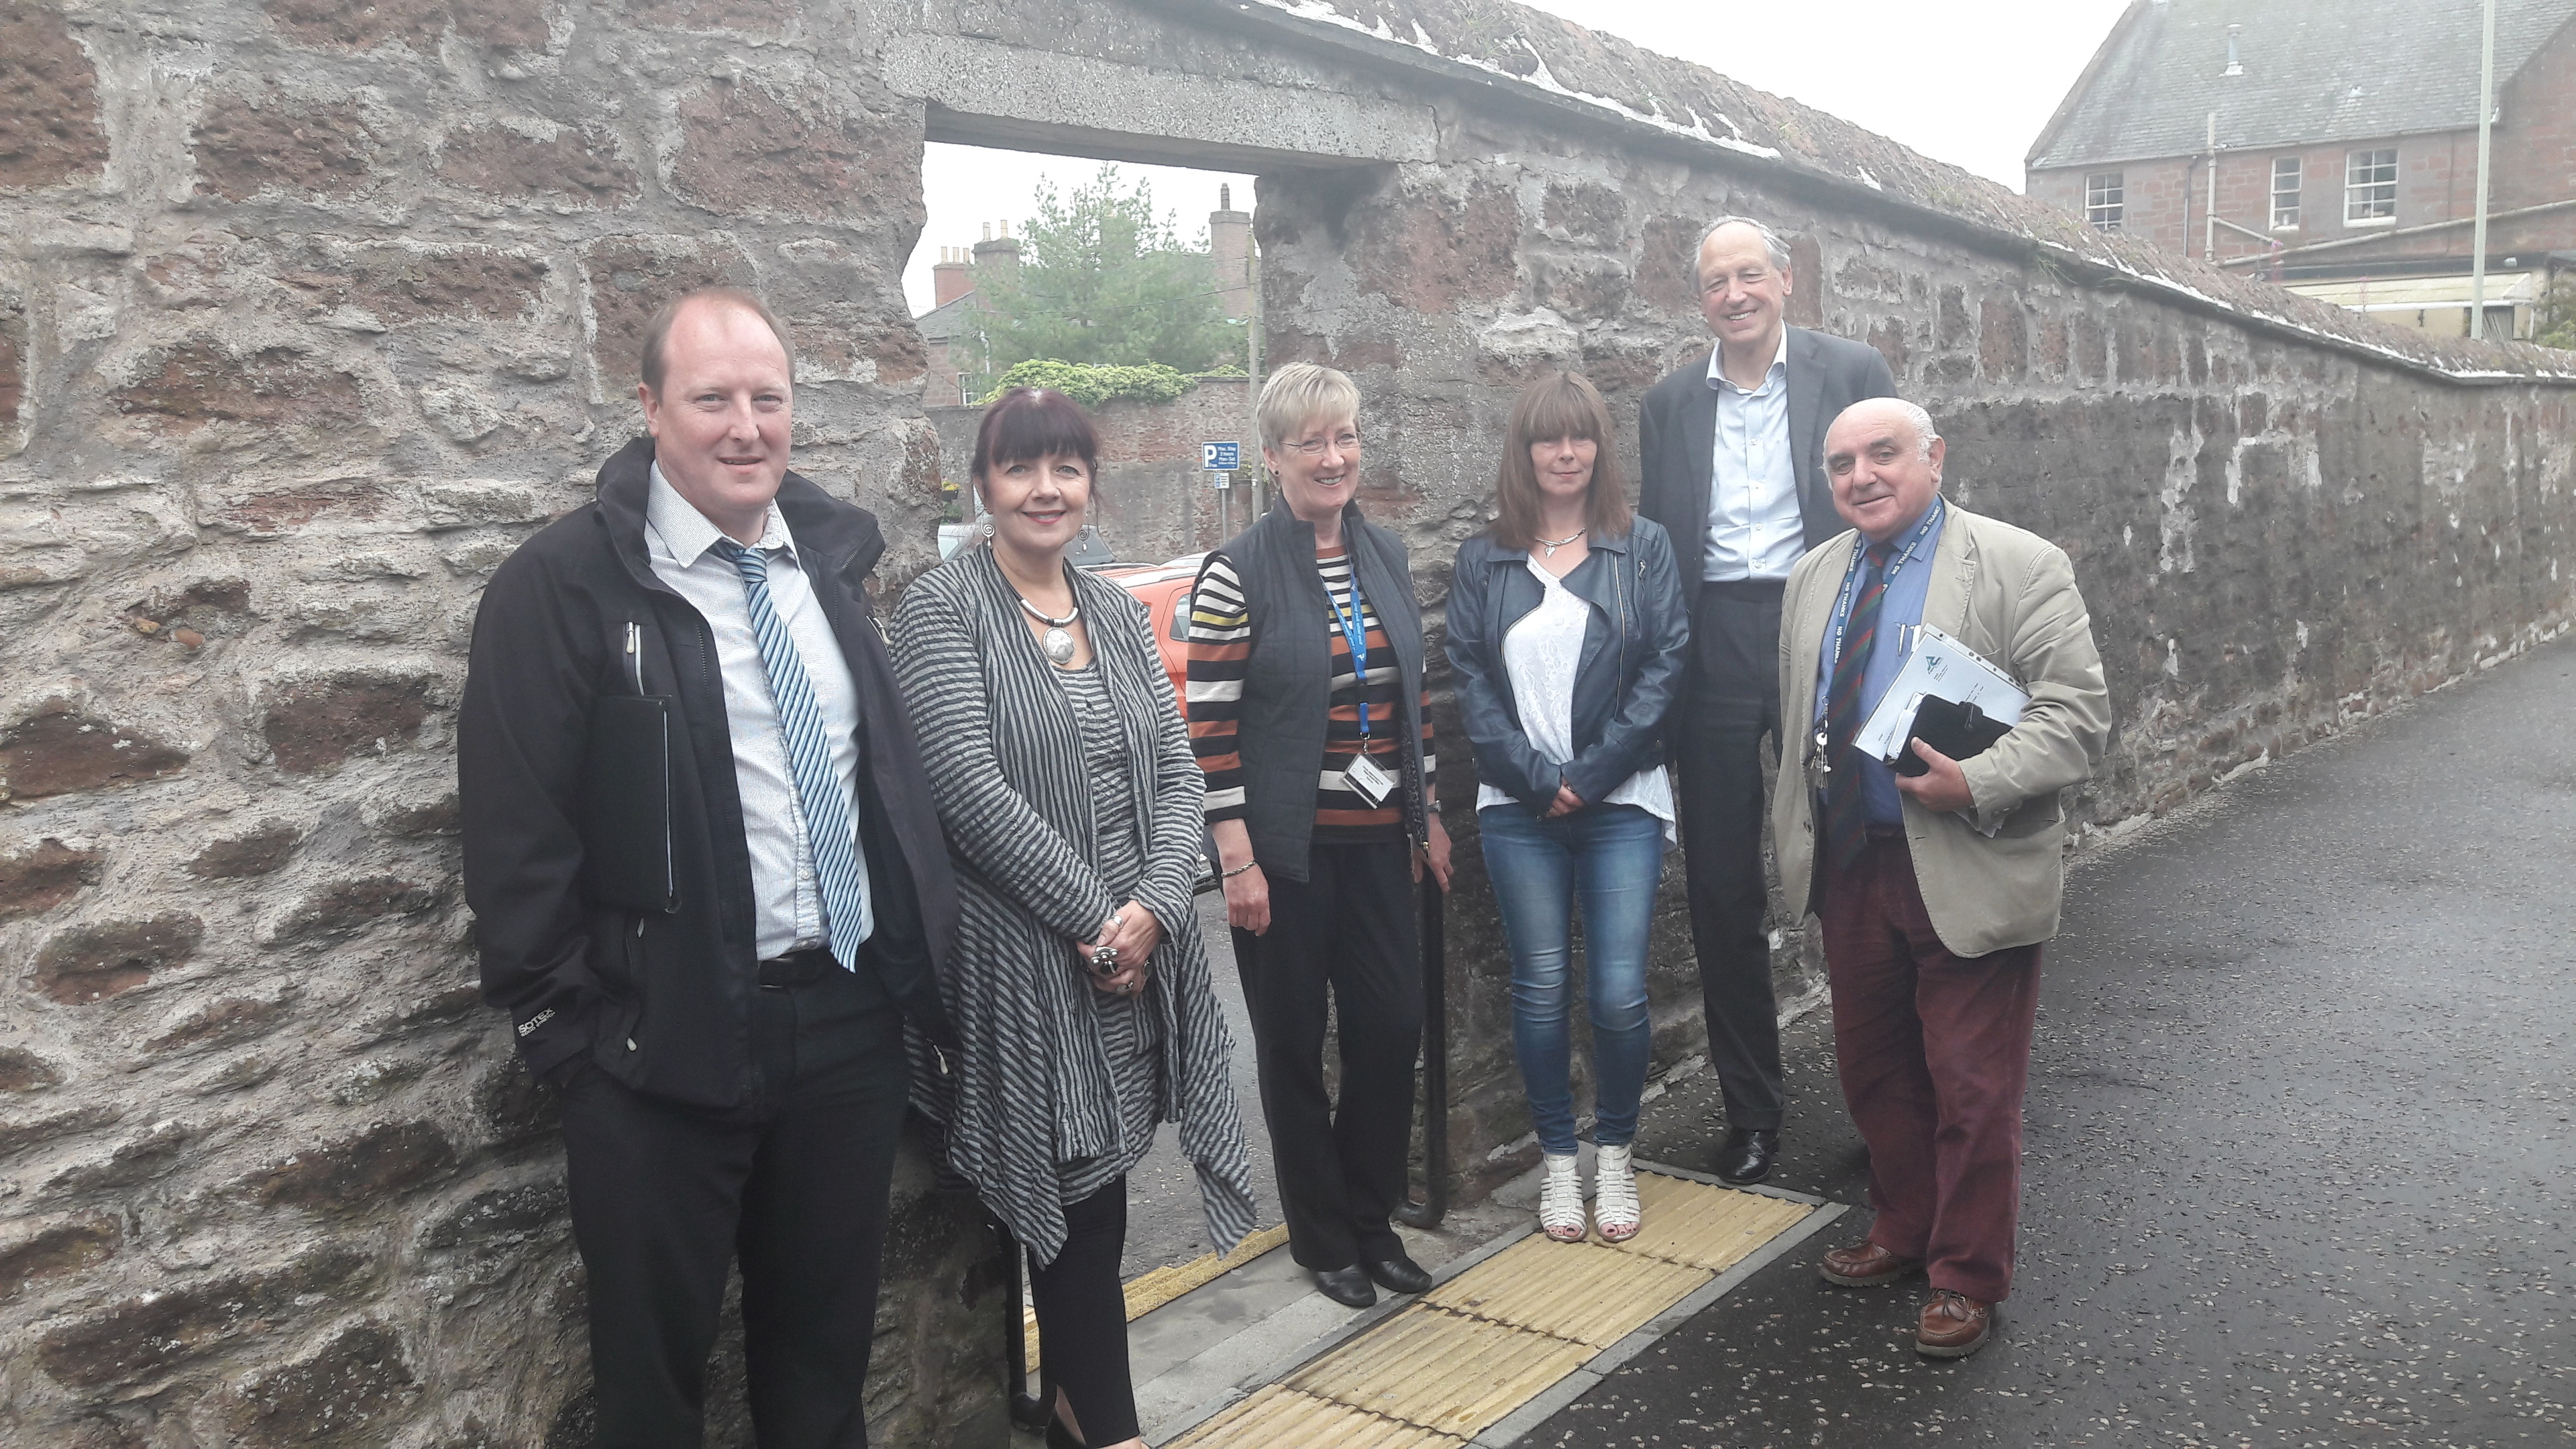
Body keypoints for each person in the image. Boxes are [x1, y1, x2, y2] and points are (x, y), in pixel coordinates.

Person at [458, 286, 957, 1447]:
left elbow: (880, 782)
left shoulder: (829, 567)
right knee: (651, 1395)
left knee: (823, 1369)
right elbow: (516, 835)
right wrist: (570, 1040)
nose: (746, 427)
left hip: (842, 1028)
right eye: (712, 399)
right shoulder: (566, 585)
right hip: (655, 1049)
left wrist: (902, 976)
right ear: (649, 409)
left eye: (767, 399)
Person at [888, 388, 1256, 1449]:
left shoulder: (1104, 605)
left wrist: (1151, 909)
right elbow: (961, 784)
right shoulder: (942, 608)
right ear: (984, 485)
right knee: (1078, 1200)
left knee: (1109, 1195)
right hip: (1032, 969)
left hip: (1134, 961)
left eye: (1066, 468)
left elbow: (1181, 774)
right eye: (1020, 468)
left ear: (1092, 486)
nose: (1045, 489)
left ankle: (1066, 1414)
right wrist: (1100, 920)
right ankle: (1112, 1431)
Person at [1772, 398, 2109, 1359]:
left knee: (1970, 1082)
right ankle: (1904, 1226)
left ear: (1934, 458)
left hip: (1966, 854)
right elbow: (1800, 721)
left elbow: (2077, 715)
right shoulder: (1813, 576)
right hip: (1851, 864)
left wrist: (1977, 781)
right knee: (1876, 1069)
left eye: (1883, 454)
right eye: (1840, 464)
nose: (1861, 477)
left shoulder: (2018, 563)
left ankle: (1966, 1273)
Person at [1185, 362, 1454, 1309]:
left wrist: (1426, 819)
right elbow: (1209, 729)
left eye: (1344, 437)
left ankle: (1372, 1218)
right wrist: (1237, 860)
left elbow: (1408, 699)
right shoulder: (1236, 572)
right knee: (1294, 1045)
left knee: (1391, 1027)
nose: (1333, 457)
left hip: (1380, 845)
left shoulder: (1382, 553)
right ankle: (1322, 1235)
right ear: (1272, 457)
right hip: (1284, 862)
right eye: (1311, 442)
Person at [1638, 215, 1898, 1186]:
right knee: (1721, 887)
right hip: (1711, 648)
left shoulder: (1851, 369)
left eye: (1751, 275)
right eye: (1716, 282)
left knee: (1855, 863)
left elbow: (1898, 503)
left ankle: (1888, 1103)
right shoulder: (1669, 404)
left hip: (1820, 630)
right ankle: (1753, 1113)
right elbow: (1661, 547)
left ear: (1787, 281)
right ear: (1698, 298)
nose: (1735, 295)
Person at [1447, 373, 1689, 1245]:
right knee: (1542, 989)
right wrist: (1531, 775)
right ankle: (1559, 1162)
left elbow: (1666, 666)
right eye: (1548, 439)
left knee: (1620, 996)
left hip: (1622, 799)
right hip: (1516, 808)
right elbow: (1469, 678)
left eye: (1580, 437)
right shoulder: (1485, 559)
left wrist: (1592, 772)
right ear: (1525, 451)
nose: (1564, 453)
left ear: (1598, 447)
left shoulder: (1641, 547)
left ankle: (1615, 1153)